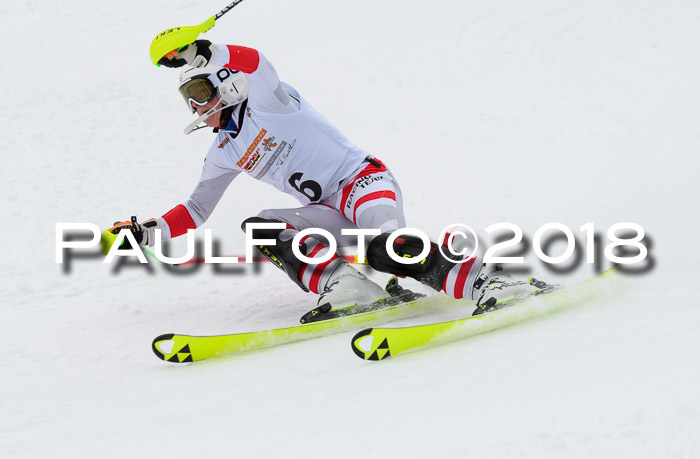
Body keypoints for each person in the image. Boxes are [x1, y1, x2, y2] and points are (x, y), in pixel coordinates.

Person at [111, 40, 551, 315]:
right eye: (188, 97)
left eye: (200, 91)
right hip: (325, 209)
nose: (195, 105)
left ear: (226, 84)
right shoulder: (222, 151)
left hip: (361, 182)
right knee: (262, 225)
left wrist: (208, 51)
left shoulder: (270, 103)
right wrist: (146, 232)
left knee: (387, 248)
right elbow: (196, 209)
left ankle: (488, 282)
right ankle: (346, 286)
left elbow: (259, 63)